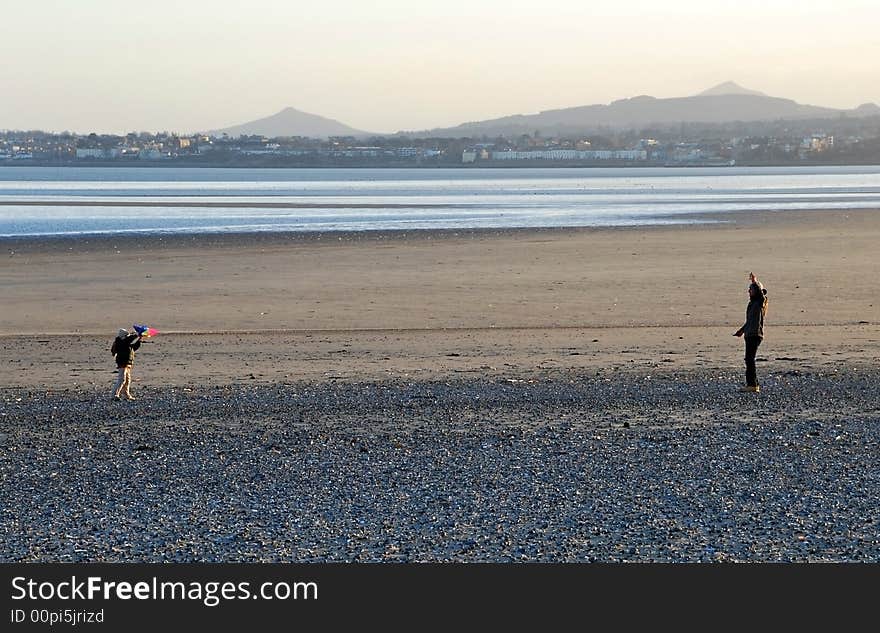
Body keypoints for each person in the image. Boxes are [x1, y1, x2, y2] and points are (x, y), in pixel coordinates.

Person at [733, 272, 768, 392]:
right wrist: (741, 331)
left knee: (749, 359)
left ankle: (752, 385)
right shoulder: (752, 304)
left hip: (755, 335)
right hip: (749, 334)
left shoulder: (759, 303)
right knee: (749, 359)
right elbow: (749, 321)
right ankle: (754, 384)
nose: (749, 291)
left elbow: (761, 295)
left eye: (750, 289)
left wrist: (754, 281)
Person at [111, 328, 142, 400]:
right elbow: (129, 339)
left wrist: (139, 339)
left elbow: (133, 348)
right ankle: (114, 394)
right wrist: (137, 335)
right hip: (123, 363)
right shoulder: (120, 342)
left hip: (127, 363)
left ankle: (126, 394)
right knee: (122, 379)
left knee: (127, 379)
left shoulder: (125, 343)